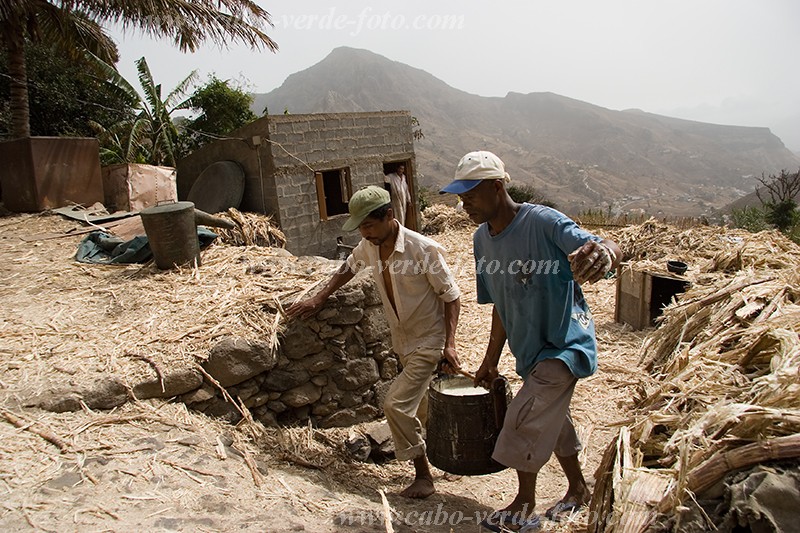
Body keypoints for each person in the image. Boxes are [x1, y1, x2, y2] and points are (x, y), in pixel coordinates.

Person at [440, 151, 622, 532]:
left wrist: (604, 254)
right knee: (553, 422)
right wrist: (490, 360)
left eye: (471, 193)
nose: (464, 204)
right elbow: (500, 305)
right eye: (460, 196)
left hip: (565, 343)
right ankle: (578, 489)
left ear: (497, 186)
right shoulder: (481, 241)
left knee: (524, 416)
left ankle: (523, 505)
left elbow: (603, 246)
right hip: (531, 352)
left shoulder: (542, 221)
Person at [287, 185, 462, 499]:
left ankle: (423, 477)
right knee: (420, 408)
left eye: (369, 225)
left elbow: (451, 297)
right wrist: (319, 297)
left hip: (428, 341)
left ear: (389, 216)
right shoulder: (369, 245)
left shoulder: (422, 249)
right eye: (361, 227)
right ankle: (445, 459)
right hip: (403, 341)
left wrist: (449, 345)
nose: (364, 233)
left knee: (395, 404)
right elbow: (348, 268)